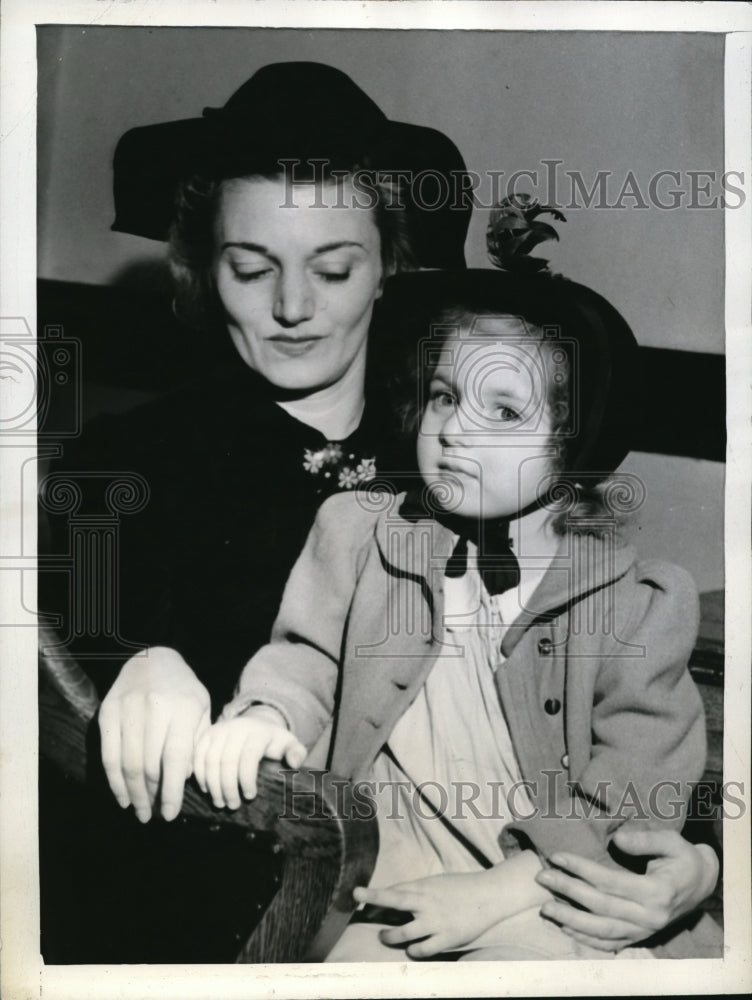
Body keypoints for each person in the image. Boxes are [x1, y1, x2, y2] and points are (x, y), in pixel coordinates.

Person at [39, 63, 717, 956]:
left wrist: (690, 865)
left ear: (390, 267)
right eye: (251, 269)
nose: (291, 307)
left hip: (509, 885)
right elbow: (60, 639)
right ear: (205, 270)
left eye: (333, 268)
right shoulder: (123, 457)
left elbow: (600, 703)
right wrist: (135, 655)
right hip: (248, 898)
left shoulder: (460, 453)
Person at [194, 257, 722, 959]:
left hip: (549, 884)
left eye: (503, 410)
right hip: (386, 873)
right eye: (445, 396)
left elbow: (635, 783)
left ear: (571, 447)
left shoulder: (634, 605)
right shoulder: (360, 534)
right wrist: (268, 713)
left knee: (538, 963)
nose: (455, 430)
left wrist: (504, 890)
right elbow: (306, 658)